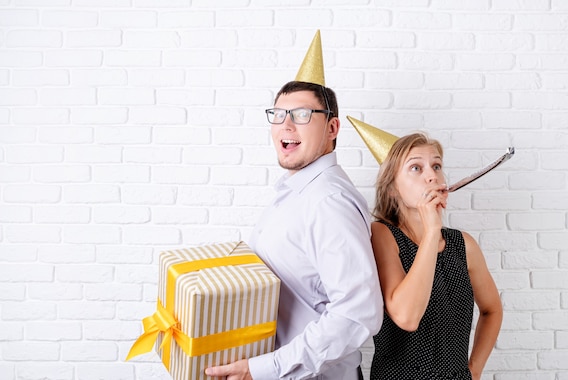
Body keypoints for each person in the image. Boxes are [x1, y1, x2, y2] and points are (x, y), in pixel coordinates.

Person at [205, 31, 384, 380]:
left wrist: (265, 369)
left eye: (302, 114)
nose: (285, 124)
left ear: (332, 127)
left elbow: (357, 313)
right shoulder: (296, 192)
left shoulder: (328, 201)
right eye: (278, 113)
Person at [361, 130, 502, 379]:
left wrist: (475, 370)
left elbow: (492, 310)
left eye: (436, 166)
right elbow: (407, 317)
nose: (431, 176)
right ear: (392, 189)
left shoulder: (464, 245)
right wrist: (432, 231)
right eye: (416, 168)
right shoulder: (382, 234)